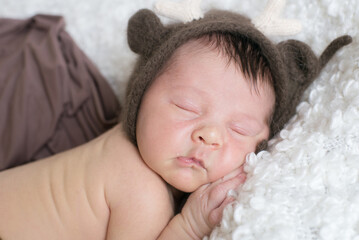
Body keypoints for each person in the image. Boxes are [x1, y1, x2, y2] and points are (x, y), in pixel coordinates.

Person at [0, 3, 351, 240]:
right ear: (140, 96)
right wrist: (188, 226)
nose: (209, 135)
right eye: (186, 106)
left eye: (239, 129)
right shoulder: (139, 187)